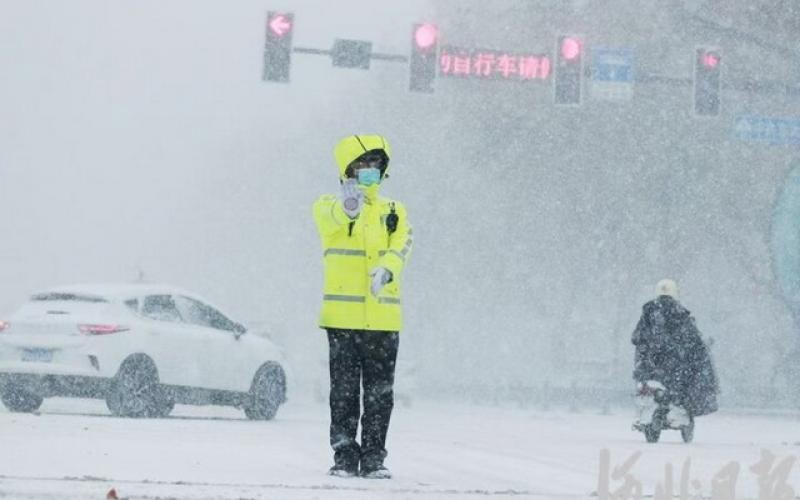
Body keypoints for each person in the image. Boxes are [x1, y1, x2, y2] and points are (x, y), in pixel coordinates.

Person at [312, 134, 413, 479]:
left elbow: (403, 244)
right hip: (342, 319)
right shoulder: (327, 205)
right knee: (343, 392)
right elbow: (333, 219)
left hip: (383, 320)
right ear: (347, 170)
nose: (369, 171)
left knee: (380, 395)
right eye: (362, 165)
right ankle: (344, 455)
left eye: (375, 164)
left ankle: (373, 457)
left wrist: (387, 268)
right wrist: (348, 205)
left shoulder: (394, 211)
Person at [632, 279, 719, 426]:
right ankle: (678, 412)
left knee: (643, 390)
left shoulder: (648, 312)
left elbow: (635, 337)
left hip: (647, 366)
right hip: (673, 367)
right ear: (675, 292)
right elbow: (692, 339)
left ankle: (644, 414)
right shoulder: (680, 313)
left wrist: (647, 350)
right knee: (689, 380)